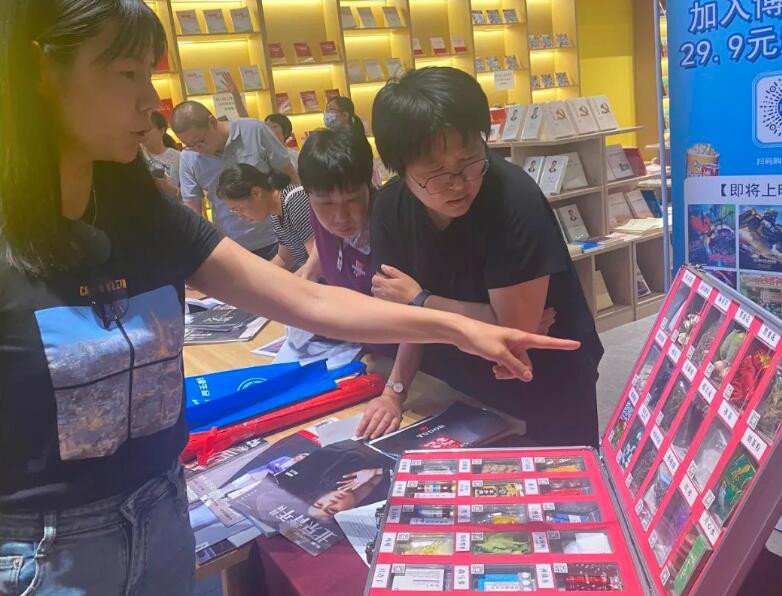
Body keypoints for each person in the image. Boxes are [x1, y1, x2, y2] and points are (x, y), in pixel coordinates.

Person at [0, 3, 578, 593]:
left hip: (162, 510)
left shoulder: (145, 214)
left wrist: (456, 326)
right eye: (127, 74)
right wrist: (448, 322)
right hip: (43, 547)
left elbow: (309, 300)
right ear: (42, 70)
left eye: (150, 73)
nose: (152, 101)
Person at [364, 67, 604, 447]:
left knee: (556, 477)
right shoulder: (390, 209)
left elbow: (513, 333)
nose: (459, 183)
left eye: (470, 160)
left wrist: (421, 300)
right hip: (457, 382)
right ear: (400, 169)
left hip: (543, 381)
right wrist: (395, 391)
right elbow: (406, 323)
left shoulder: (513, 199)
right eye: (436, 173)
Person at [298, 126, 556, 438]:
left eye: (352, 199)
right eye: (325, 204)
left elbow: (414, 318)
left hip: (453, 367)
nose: (340, 216)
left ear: (373, 182)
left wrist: (395, 389)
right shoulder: (337, 221)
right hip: (387, 364)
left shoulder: (394, 220)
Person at [171, 101, 295, 259]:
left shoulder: (254, 130)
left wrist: (295, 227)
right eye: (189, 145)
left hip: (276, 237)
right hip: (231, 247)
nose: (197, 149)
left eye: (200, 141)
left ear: (212, 122)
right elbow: (192, 209)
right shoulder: (188, 157)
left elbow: (290, 178)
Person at [216, 163, 314, 270]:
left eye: (240, 209)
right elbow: (284, 258)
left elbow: (317, 264)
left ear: (256, 193)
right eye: (235, 211)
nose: (240, 216)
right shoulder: (276, 213)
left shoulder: (295, 202)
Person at [141, 110, 180, 200]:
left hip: (172, 206)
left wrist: (168, 188)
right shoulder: (137, 157)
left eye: (147, 130)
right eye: (141, 131)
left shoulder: (178, 158)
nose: (144, 135)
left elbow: (189, 196)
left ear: (162, 131)